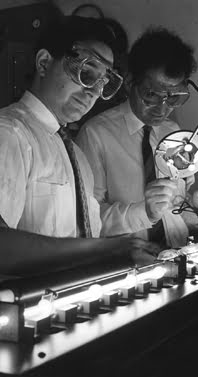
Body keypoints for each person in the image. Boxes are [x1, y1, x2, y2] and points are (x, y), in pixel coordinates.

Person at [0, 15, 157, 277]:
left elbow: (86, 233)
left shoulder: (76, 155)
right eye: (86, 72)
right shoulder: (10, 134)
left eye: (104, 82)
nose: (94, 91)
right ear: (44, 63)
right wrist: (104, 250)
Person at [76, 27, 198, 249]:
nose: (162, 109)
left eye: (174, 97)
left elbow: (174, 213)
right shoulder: (95, 134)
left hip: (177, 254)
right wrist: (144, 213)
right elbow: (87, 220)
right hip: (125, 265)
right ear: (129, 83)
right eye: (152, 95)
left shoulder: (172, 132)